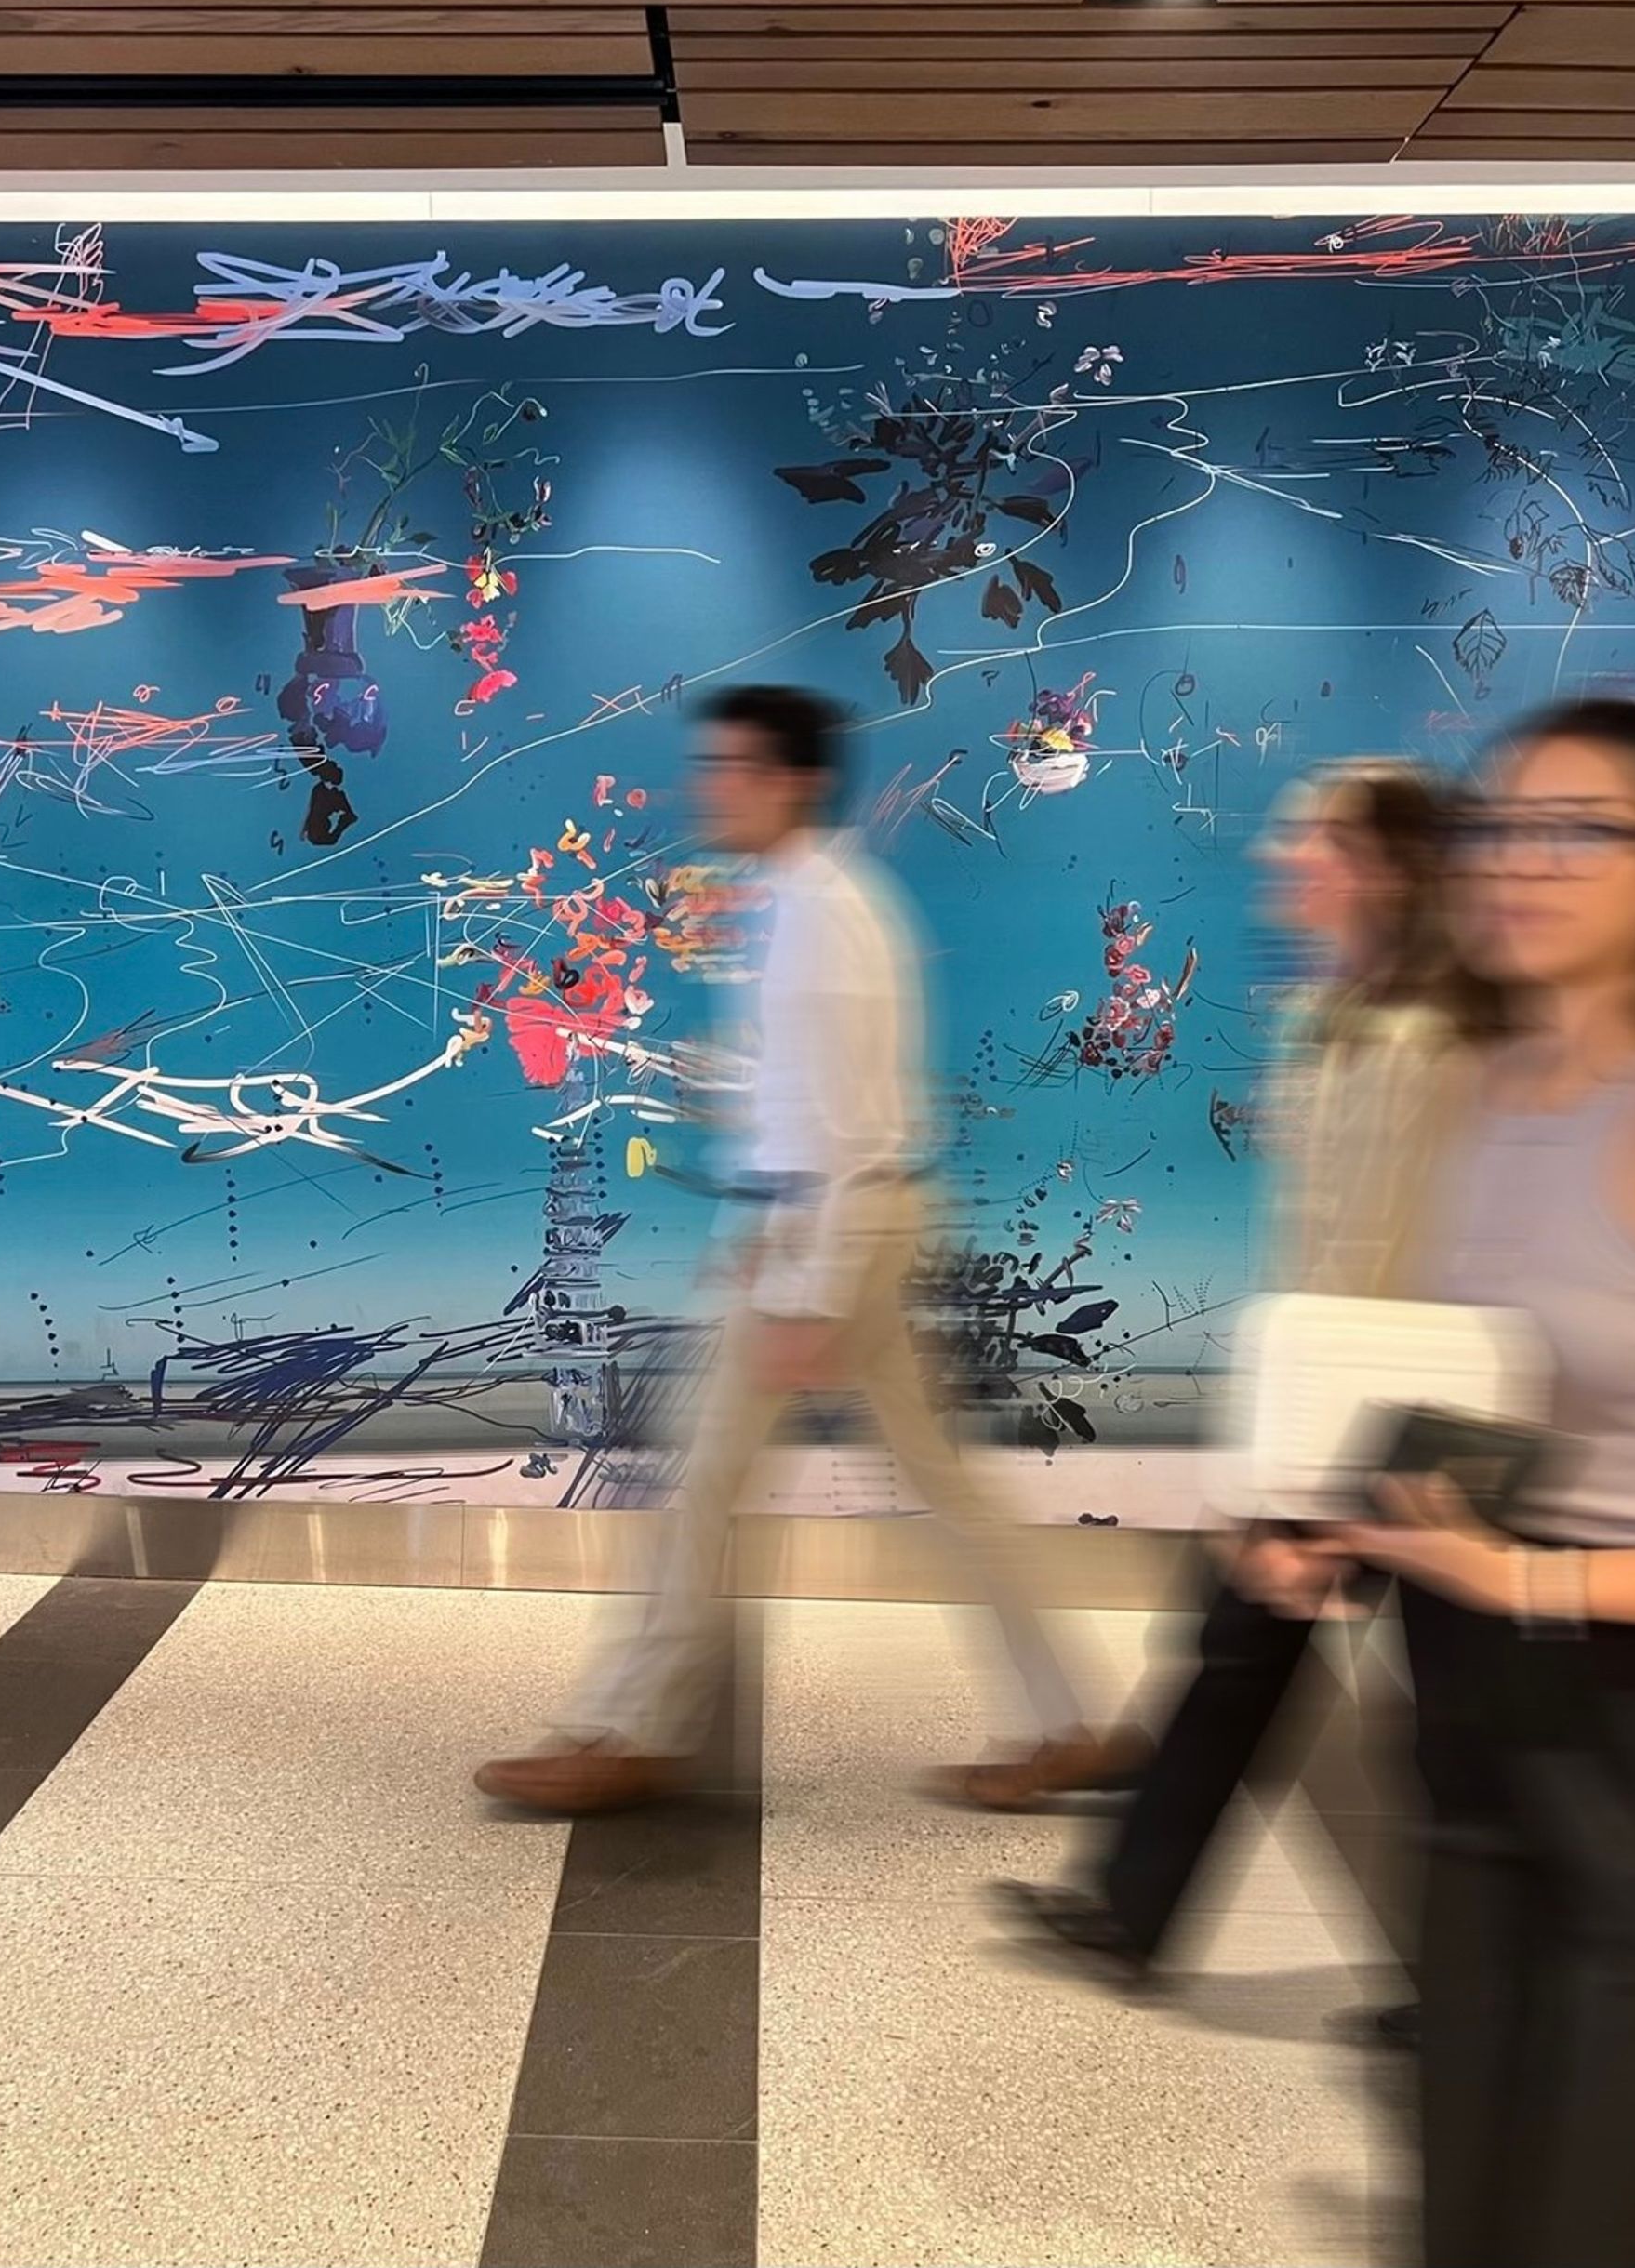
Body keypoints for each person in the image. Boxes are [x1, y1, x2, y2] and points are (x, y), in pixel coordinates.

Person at [476, 685, 1144, 1814]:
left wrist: (801, 1287)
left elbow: (843, 1129)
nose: (710, 788)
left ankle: (630, 1729)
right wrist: (765, 1224)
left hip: (838, 1234)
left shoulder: (821, 917)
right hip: (829, 1227)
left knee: (699, 1487)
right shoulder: (804, 901)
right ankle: (1069, 1721)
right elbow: (815, 1108)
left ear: (789, 781)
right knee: (930, 1492)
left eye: (731, 768)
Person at [1324, 697, 1635, 2268]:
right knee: (1472, 2196)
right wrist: (1343, 1529)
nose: (1518, 863)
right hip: (1476, 1722)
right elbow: (1484, 1388)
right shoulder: (1484, 1092)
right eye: (1499, 826)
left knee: (1605, 2208)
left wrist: (1533, 1581)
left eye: (1580, 830)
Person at [1000, 759, 1495, 1994]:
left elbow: (1382, 1252)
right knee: (1261, 1655)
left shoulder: (1420, 1036)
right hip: (1342, 1400)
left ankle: (1462, 1987)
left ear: (1383, 866)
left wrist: (1312, 1474)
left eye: (1314, 839)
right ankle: (1136, 1909)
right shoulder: (1340, 1012)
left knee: (1448, 1713)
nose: (1285, 859)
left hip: (1397, 1413)